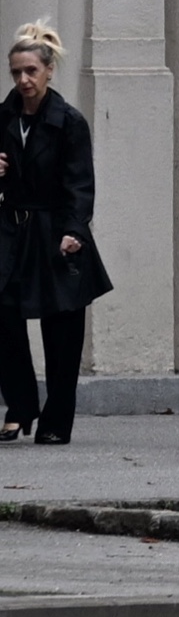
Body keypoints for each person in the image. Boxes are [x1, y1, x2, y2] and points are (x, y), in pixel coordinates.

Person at [0, 22, 110, 445]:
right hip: (12, 231)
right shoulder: (5, 117)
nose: (23, 80)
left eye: (30, 71)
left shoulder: (68, 122)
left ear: (48, 71)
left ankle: (55, 421)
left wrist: (74, 231)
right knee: (5, 319)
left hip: (56, 233)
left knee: (61, 331)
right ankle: (20, 406)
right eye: (16, 73)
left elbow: (80, 184)